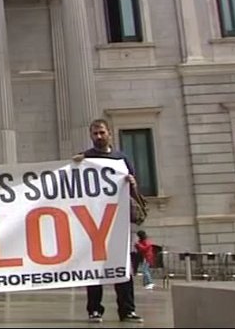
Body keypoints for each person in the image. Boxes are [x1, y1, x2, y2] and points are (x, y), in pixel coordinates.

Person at [72, 119, 143, 323]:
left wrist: (132, 183)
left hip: (117, 221)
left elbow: (134, 189)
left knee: (122, 265)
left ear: (109, 133)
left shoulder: (121, 159)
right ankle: (94, 309)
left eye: (102, 132)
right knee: (93, 267)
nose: (99, 137)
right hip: (92, 222)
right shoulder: (84, 158)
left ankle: (127, 310)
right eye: (95, 133)